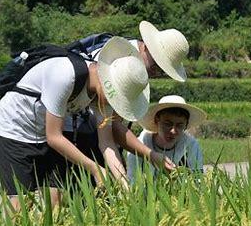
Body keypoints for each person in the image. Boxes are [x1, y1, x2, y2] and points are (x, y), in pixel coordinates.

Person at [0, 36, 174, 209]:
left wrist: (124, 184)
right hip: (15, 129)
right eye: (115, 98)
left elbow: (107, 143)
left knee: (56, 197)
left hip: (41, 130)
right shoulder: (65, 75)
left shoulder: (103, 96)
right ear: (108, 82)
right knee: (21, 203)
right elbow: (54, 137)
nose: (114, 104)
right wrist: (94, 168)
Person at [61, 20, 191, 184]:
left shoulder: (136, 69)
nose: (157, 73)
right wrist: (150, 155)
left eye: (163, 71)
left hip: (94, 131)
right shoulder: (117, 62)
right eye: (157, 66)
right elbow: (112, 127)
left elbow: (109, 127)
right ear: (146, 47)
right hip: (71, 128)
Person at [127, 95, 207, 184]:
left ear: (186, 125)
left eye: (179, 125)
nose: (173, 131)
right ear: (157, 120)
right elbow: (132, 181)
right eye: (167, 124)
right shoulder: (139, 146)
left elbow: (198, 180)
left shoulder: (191, 146)